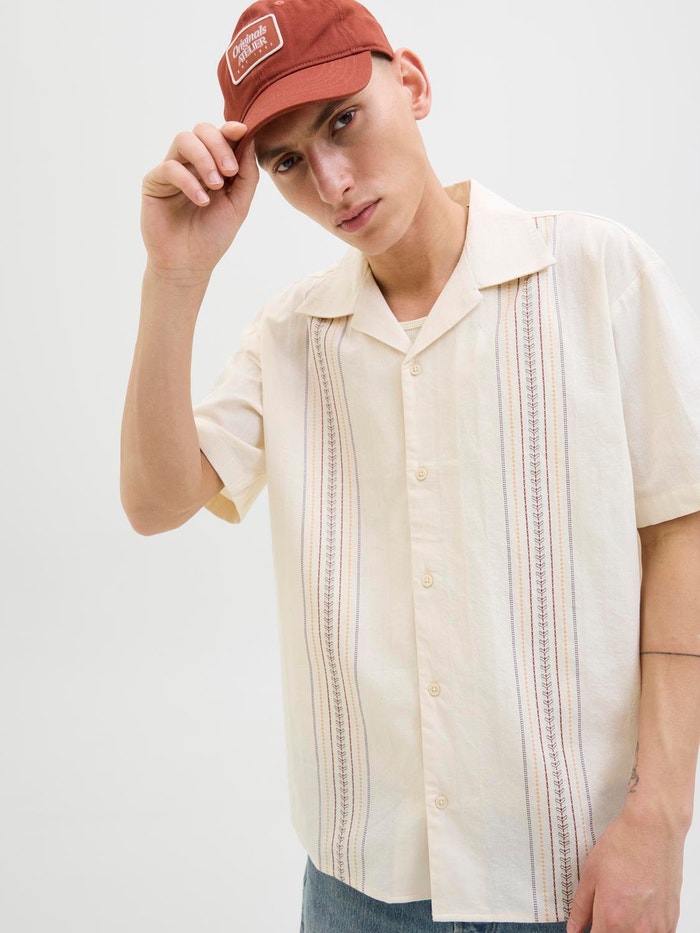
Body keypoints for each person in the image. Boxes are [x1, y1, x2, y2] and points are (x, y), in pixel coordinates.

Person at [120, 0, 700, 930]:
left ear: (415, 84)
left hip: (571, 877)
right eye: (287, 161)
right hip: (357, 890)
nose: (332, 180)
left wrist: (661, 820)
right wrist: (174, 275)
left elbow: (682, 533)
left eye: (342, 120)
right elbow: (155, 501)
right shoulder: (290, 336)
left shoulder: (598, 272)